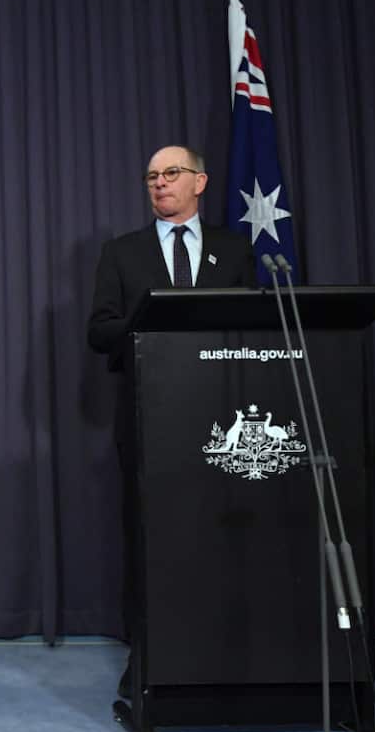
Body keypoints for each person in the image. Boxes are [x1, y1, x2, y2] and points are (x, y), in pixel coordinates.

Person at [86, 145, 255, 700]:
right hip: (148, 415)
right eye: (152, 176)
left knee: (220, 531)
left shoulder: (234, 249)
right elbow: (99, 331)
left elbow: (252, 323)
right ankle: (148, 653)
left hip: (220, 415)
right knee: (151, 535)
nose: (159, 183)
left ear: (199, 182)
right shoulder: (122, 253)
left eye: (172, 173)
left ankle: (222, 647)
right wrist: (146, 320)